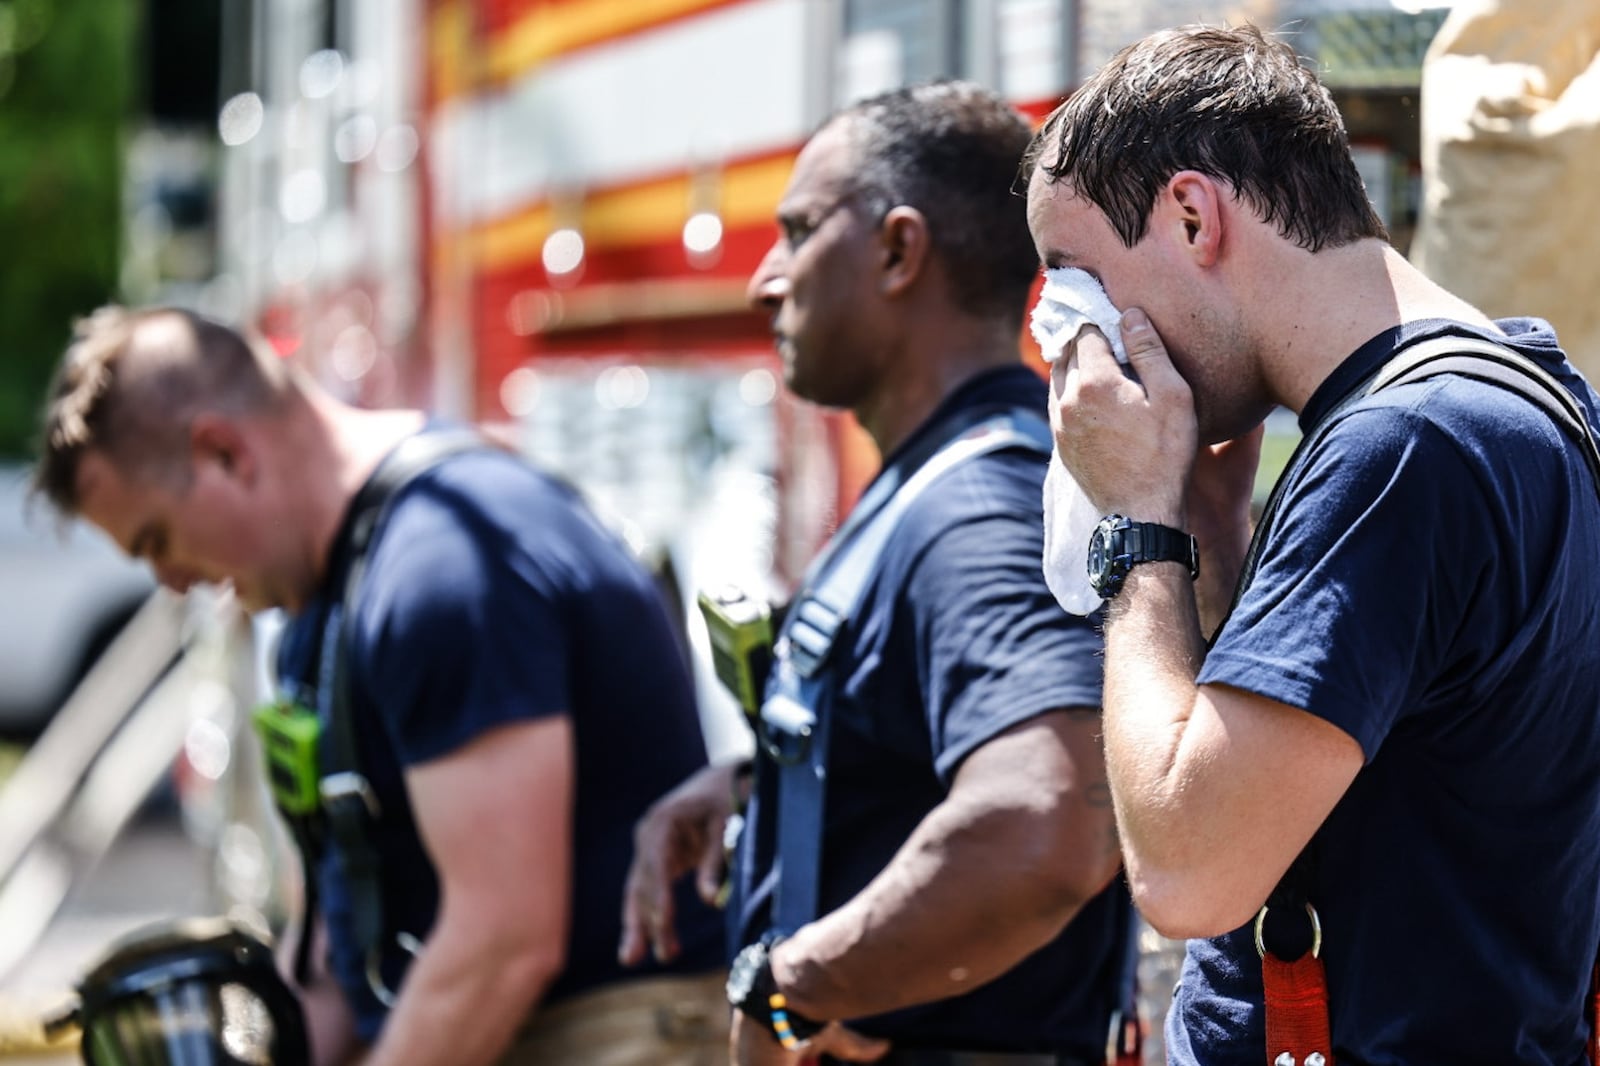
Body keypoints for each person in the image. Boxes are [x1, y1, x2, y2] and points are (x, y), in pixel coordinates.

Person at [1024, 23, 1600, 1065]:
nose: (1077, 337)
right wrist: (1206, 533)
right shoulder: (1521, 392)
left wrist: (1137, 525)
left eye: (1078, 282)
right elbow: (1342, 759)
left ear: (1193, 215)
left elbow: (1190, 871)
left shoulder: (1401, 449)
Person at [32, 306, 729, 1066]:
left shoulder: (450, 570)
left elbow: (503, 944)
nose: (173, 582)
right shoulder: (320, 613)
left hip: (612, 1029)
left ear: (222, 452)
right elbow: (341, 941)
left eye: (158, 540)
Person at [620, 82, 1132, 1066]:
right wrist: (765, 784)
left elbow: (1045, 823)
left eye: (799, 232)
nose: (764, 281)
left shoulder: (972, 508)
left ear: (898, 251)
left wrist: (791, 990)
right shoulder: (943, 484)